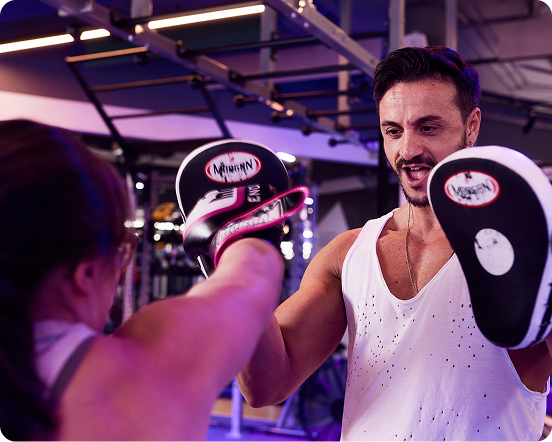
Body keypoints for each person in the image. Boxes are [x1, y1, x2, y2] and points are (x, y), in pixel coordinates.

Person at [236, 46, 552, 441]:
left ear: (471, 126)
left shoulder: (521, 246)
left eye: (428, 127)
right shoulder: (346, 254)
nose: (408, 150)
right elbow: (265, 387)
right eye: (393, 131)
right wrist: (235, 267)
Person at [0, 119, 284, 442]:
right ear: (85, 273)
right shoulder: (140, 371)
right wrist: (244, 228)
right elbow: (250, 280)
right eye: (118, 254)